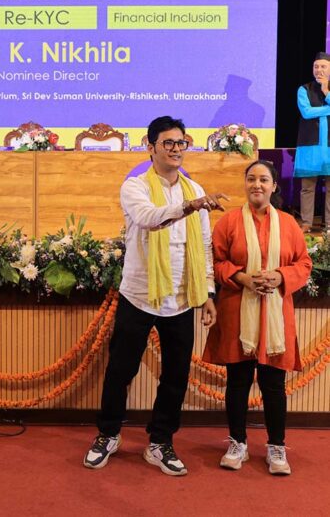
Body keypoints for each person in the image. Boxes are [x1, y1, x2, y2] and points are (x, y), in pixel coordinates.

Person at [83, 115, 227, 476]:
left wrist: (208, 293)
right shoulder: (135, 187)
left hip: (181, 298)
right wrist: (190, 206)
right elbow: (150, 218)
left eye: (181, 143)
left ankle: (160, 442)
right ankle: (108, 434)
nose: (176, 149)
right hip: (139, 295)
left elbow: (204, 245)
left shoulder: (194, 190)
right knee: (120, 370)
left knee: (176, 376)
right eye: (168, 143)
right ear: (151, 148)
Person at [203, 160, 312, 475]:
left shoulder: (289, 224)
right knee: (237, 382)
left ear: (274, 186)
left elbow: (303, 263)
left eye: (264, 179)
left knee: (273, 384)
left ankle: (276, 447)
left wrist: (280, 276)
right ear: (245, 183)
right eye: (251, 179)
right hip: (237, 310)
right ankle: (237, 443)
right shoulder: (229, 222)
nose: (257, 185)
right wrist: (243, 278)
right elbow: (216, 261)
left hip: (276, 314)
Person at [294, 51, 330, 232]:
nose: (319, 70)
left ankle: (329, 224)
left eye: (323, 66)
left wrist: (326, 92)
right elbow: (306, 112)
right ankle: (307, 222)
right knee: (308, 187)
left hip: (328, 147)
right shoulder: (304, 89)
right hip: (310, 146)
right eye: (316, 66)